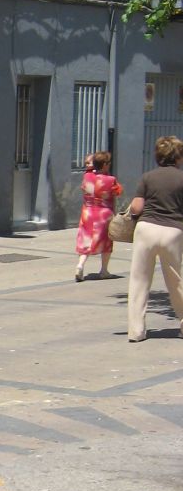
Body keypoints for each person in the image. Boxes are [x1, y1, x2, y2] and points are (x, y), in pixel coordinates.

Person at [126, 135, 183, 342]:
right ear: (178, 157)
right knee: (176, 280)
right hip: (173, 232)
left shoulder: (147, 177)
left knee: (139, 280)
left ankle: (136, 331)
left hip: (146, 229)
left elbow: (136, 207)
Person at [75, 150, 122, 281]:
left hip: (88, 212)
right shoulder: (110, 180)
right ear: (105, 164)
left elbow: (83, 188)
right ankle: (104, 270)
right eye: (108, 163)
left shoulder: (87, 177)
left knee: (85, 239)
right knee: (106, 241)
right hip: (104, 213)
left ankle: (80, 265)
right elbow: (117, 192)